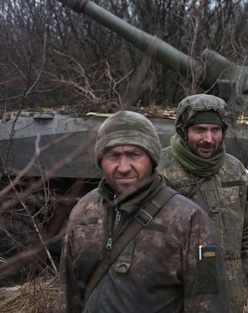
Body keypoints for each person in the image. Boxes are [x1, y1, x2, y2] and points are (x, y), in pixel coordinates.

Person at [54, 110, 230, 313]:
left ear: (152, 158)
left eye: (134, 155)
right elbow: (68, 295)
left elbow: (209, 302)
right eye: (113, 156)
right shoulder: (84, 210)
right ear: (101, 160)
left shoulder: (190, 220)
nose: (124, 167)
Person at [157, 94, 248, 313]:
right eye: (199, 130)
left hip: (230, 297)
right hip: (177, 297)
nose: (209, 138)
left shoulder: (234, 169)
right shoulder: (160, 171)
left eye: (215, 130)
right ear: (183, 130)